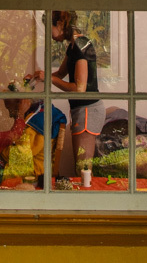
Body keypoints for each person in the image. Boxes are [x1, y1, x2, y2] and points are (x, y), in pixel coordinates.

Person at [30, 10, 102, 176]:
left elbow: (79, 89)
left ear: (60, 24)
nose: (49, 34)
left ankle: (87, 193)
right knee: (81, 168)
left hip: (88, 111)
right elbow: (60, 74)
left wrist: (48, 78)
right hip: (82, 110)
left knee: (83, 169)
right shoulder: (74, 46)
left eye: (50, 28)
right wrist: (37, 78)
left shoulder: (80, 45)